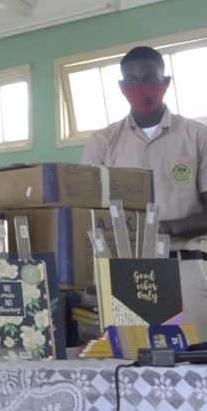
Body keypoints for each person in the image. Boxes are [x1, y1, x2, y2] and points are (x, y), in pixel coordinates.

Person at [81, 45, 207, 337]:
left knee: (195, 361)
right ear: (122, 86)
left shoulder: (198, 136)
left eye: (150, 77)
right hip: (123, 272)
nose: (142, 87)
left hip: (185, 269)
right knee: (130, 363)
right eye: (133, 80)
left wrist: (166, 228)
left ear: (166, 82)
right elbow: (85, 213)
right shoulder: (103, 142)